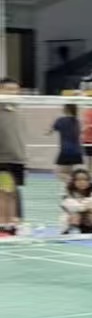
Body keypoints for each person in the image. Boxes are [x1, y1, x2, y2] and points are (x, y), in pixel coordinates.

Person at [0, 81, 24, 237]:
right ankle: (2, 224)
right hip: (3, 159)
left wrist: (24, 158)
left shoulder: (17, 110)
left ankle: (12, 225)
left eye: (15, 90)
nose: (13, 92)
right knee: (3, 192)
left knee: (13, 192)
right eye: (8, 89)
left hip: (17, 158)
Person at [60, 168, 92, 236]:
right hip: (72, 220)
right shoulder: (68, 190)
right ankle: (73, 229)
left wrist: (81, 203)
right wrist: (84, 205)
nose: (82, 182)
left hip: (88, 220)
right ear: (73, 181)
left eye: (85, 180)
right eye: (78, 180)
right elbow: (68, 205)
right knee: (75, 212)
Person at [51, 102, 83, 172]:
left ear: (67, 109)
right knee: (69, 172)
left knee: (58, 172)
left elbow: (50, 131)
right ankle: (73, 179)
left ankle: (74, 180)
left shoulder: (60, 120)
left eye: (63, 107)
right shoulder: (77, 121)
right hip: (77, 151)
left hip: (66, 151)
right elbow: (79, 133)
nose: (62, 109)